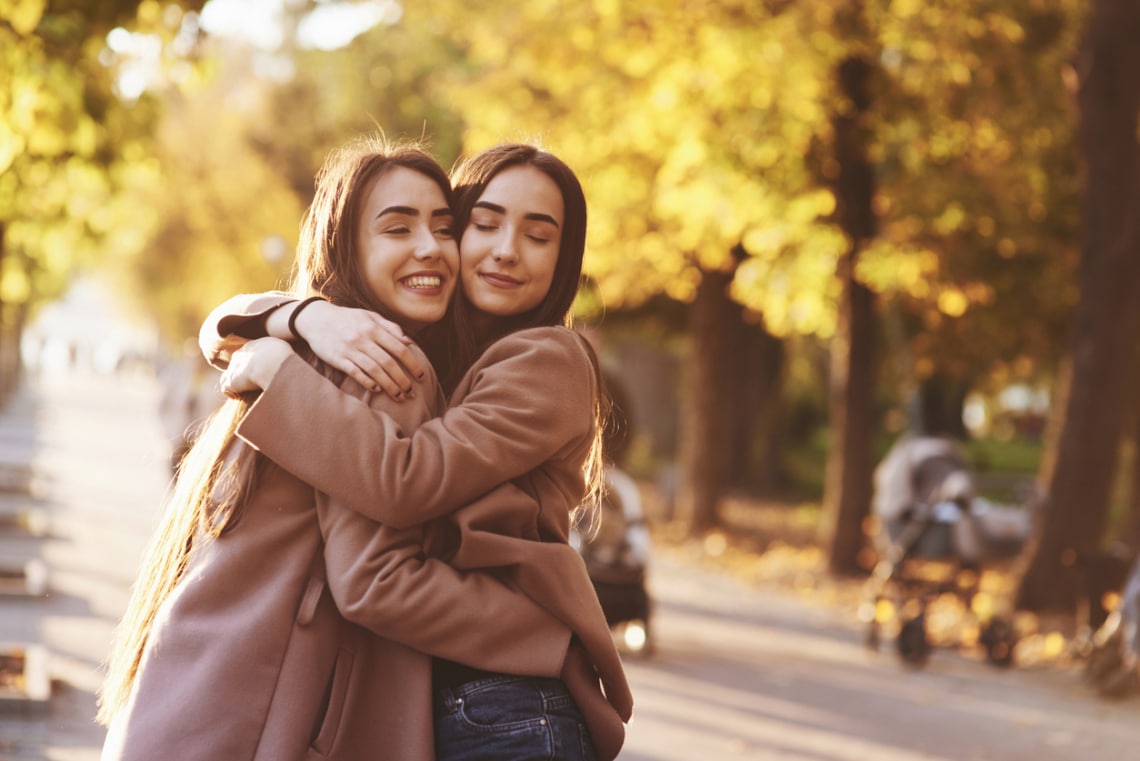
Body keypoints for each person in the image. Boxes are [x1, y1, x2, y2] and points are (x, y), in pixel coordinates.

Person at [98, 137, 579, 761]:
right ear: (346, 245)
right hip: (249, 712)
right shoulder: (384, 366)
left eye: (442, 227)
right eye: (399, 228)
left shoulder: (323, 358)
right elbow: (377, 571)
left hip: (184, 693)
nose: (432, 247)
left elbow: (399, 492)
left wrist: (282, 336)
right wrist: (548, 630)